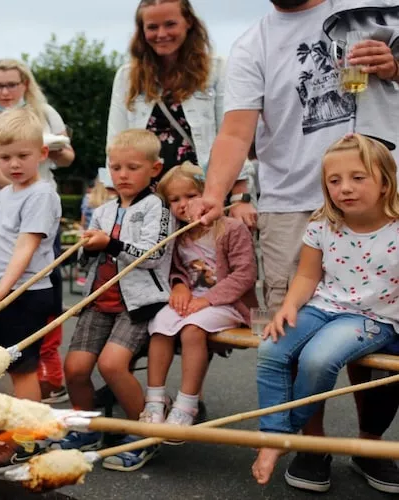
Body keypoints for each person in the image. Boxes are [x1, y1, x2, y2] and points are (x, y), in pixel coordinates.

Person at [190, 0, 399, 492]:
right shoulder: (252, 43)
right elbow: (236, 130)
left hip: (387, 196)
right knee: (294, 330)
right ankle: (309, 445)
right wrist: (214, 195)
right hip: (291, 202)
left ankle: (370, 443)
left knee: (382, 331)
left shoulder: (371, 7)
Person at [252, 134, 399, 488]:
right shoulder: (322, 224)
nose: (345, 188)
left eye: (358, 177)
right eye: (334, 180)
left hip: (373, 318)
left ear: (384, 182)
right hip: (323, 306)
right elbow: (307, 275)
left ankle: (288, 435)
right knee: (271, 348)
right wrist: (288, 306)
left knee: (318, 359)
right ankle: (275, 435)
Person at [53, 129, 173, 472]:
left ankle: (142, 432)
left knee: (111, 365)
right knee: (74, 369)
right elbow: (88, 260)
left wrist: (109, 243)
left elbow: (154, 254)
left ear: (155, 168)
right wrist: (84, 249)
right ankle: (87, 428)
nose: (122, 175)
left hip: (137, 304)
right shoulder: (102, 210)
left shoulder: (157, 206)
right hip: (99, 300)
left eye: (132, 167)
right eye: (115, 167)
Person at [0, 108, 61, 473]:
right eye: (5, 157)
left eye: (23, 155)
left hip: (23, 294)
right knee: (15, 368)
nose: (14, 164)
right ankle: (23, 434)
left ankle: (27, 446)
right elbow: (4, 237)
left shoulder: (40, 194)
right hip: (8, 290)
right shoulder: (8, 192)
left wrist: (3, 289)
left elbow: (26, 246)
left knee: (23, 371)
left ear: (42, 153)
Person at [107, 0, 255, 226]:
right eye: (152, 27)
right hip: (148, 199)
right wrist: (112, 199)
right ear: (142, 31)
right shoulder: (127, 77)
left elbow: (231, 133)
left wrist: (240, 197)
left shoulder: (216, 69)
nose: (161, 33)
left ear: (188, 23)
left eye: (170, 24)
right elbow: (115, 141)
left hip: (203, 194)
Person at [0, 58, 74, 355]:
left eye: (11, 84)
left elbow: (67, 157)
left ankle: (45, 360)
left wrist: (52, 152)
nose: (4, 91)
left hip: (32, 195)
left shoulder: (45, 112)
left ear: (25, 84)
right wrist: (18, 190)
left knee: (37, 274)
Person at [144, 162, 257, 431]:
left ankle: (187, 403)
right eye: (175, 199)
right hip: (192, 299)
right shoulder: (177, 234)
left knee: (193, 330)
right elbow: (175, 270)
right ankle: (154, 400)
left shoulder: (230, 229)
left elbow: (244, 274)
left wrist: (207, 299)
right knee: (159, 325)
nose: (184, 204)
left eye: (191, 196)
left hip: (227, 302)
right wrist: (180, 286)